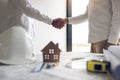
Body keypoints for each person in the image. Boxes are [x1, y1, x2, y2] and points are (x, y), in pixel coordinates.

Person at [0, 0, 64, 64]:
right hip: (17, 35)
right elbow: (29, 10)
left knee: (27, 62)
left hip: (25, 36)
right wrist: (51, 21)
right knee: (18, 63)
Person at [53, 0, 120, 53]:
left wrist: (112, 42)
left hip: (106, 41)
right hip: (94, 42)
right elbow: (85, 16)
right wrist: (65, 20)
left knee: (107, 70)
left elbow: (118, 16)